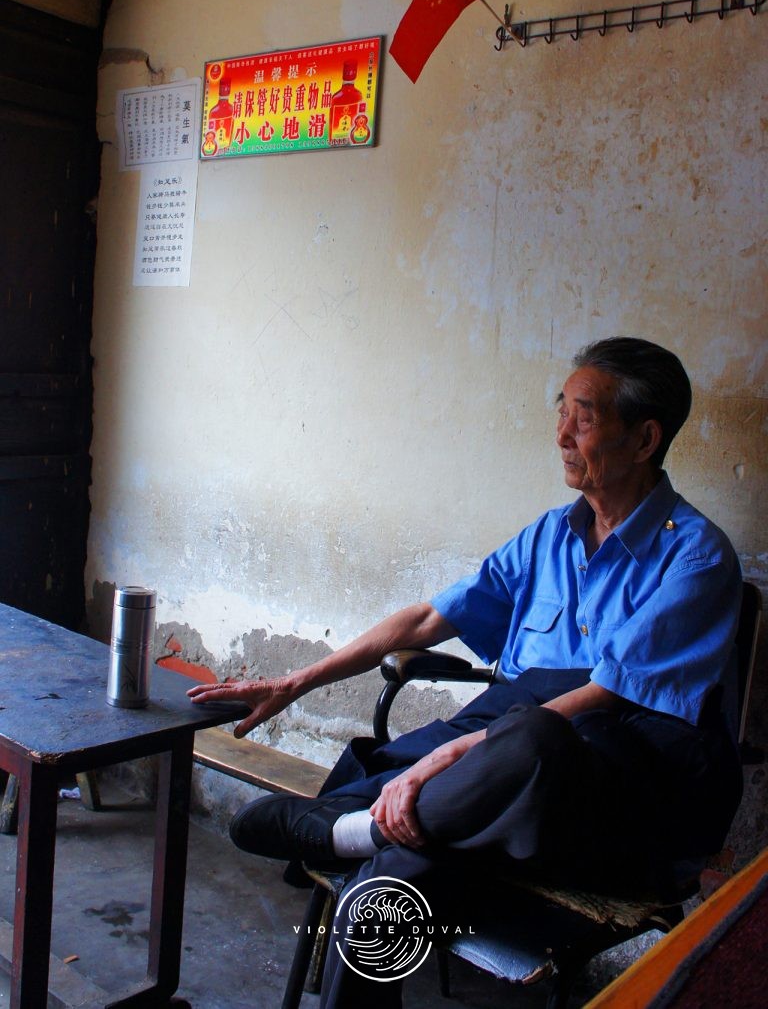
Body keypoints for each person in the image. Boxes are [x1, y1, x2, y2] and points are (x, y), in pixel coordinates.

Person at [188, 337, 744, 1007]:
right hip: (494, 787)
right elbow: (429, 619)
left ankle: (349, 826)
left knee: (536, 735)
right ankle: (361, 833)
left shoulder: (697, 557)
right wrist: (296, 681)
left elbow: (605, 694)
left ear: (645, 438)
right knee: (379, 898)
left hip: (609, 797)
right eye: (561, 410)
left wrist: (444, 758)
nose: (562, 434)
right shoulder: (548, 537)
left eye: (585, 417)